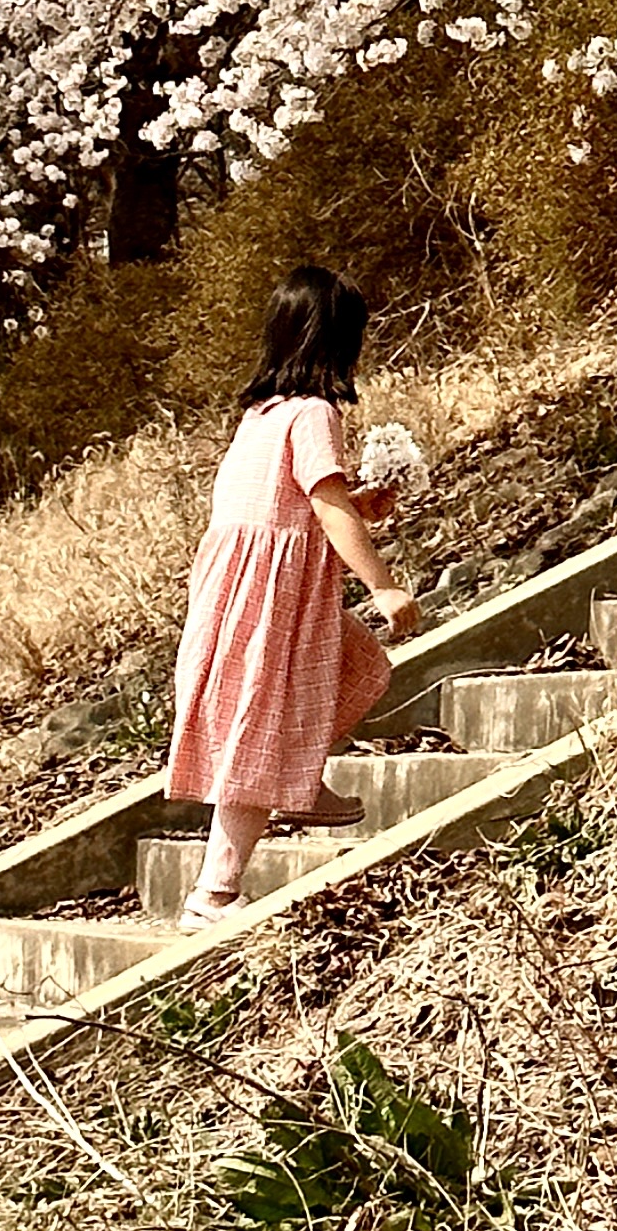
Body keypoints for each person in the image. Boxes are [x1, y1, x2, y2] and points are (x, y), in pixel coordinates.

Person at [165, 263, 423, 923]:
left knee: (358, 667)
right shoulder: (314, 414)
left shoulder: (260, 415)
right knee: (265, 724)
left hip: (240, 587)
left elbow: (291, 504)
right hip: (271, 595)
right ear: (335, 342)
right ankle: (215, 892)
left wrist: (358, 502)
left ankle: (297, 775)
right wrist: (384, 586)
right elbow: (325, 511)